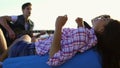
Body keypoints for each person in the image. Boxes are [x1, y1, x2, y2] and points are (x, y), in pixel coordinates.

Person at [0, 15, 97, 66]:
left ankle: (2, 58)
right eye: (28, 9)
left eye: (105, 19)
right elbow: (79, 41)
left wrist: (58, 26)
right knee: (28, 38)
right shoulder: (18, 18)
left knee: (24, 38)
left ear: (102, 30)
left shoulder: (30, 23)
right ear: (23, 10)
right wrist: (80, 25)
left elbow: (54, 56)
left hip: (25, 50)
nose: (29, 11)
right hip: (31, 47)